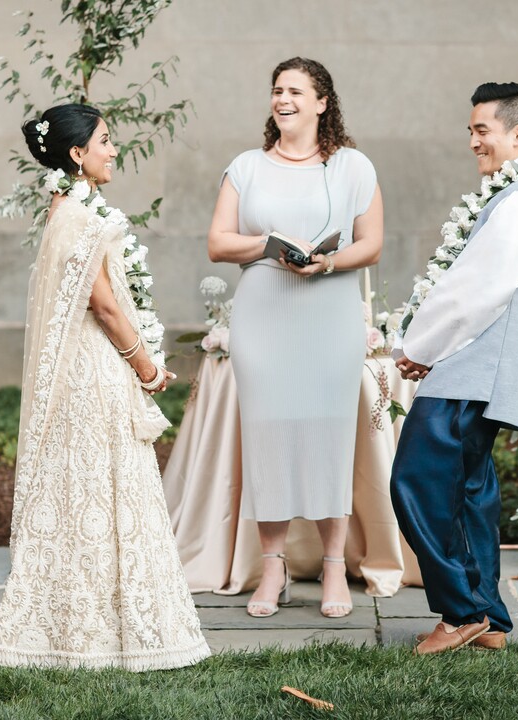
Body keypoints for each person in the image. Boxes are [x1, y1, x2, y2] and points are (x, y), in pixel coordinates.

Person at [0, 103, 210, 670]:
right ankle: (103, 629)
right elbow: (104, 305)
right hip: (94, 370)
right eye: (105, 140)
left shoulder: (65, 211)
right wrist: (146, 367)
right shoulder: (79, 218)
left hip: (85, 370)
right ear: (76, 153)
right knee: (105, 490)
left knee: (88, 493)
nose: (114, 150)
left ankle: (85, 626)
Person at [207, 57, 383, 619]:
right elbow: (217, 242)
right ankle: (273, 567)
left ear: (322, 103)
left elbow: (371, 243)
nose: (283, 99)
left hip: (330, 315)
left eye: (296, 91)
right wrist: (268, 244)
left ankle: (333, 567)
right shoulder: (246, 167)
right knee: (269, 435)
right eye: (277, 90)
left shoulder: (353, 167)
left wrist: (326, 262)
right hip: (264, 316)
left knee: (330, 435)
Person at [390, 82, 518, 655]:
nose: (472, 142)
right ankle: (488, 618)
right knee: (468, 491)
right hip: (475, 371)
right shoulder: (514, 196)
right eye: (470, 130)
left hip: (471, 371)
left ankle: (462, 612)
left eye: (482, 130)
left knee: (418, 482)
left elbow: (478, 290)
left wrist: (420, 346)